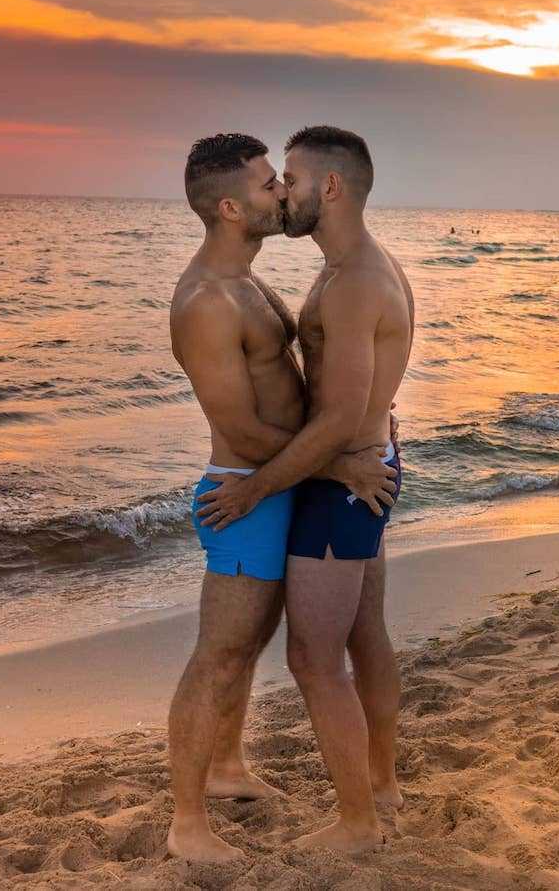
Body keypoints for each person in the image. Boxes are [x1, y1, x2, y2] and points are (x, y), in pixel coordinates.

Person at [166, 133, 397, 863]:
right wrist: (333, 469)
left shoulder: (251, 282)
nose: (280, 193)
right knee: (220, 654)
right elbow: (238, 426)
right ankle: (186, 824)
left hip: (288, 480)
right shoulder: (207, 301)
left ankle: (229, 766)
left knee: (250, 644)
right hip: (245, 492)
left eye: (284, 179)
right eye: (270, 185)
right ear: (232, 208)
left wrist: (358, 438)